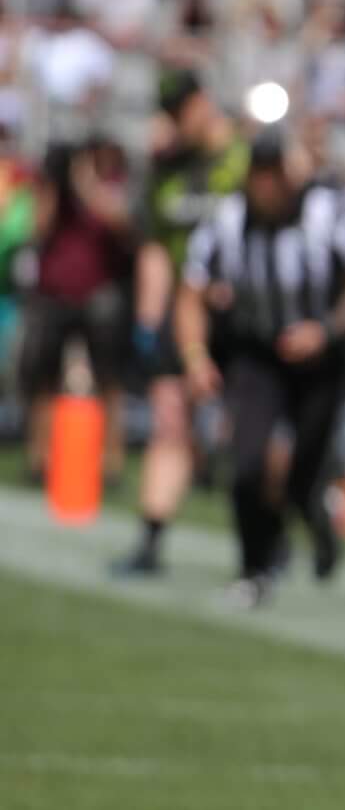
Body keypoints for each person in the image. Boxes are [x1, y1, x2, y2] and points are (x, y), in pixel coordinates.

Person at [175, 134, 345, 609]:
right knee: (245, 464)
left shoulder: (327, 213)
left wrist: (325, 330)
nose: (267, 187)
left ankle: (314, 516)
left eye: (274, 174)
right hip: (258, 354)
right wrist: (195, 357)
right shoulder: (227, 220)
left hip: (320, 359)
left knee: (304, 471)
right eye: (258, 175)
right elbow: (191, 291)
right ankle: (253, 567)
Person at [114, 73, 246, 578]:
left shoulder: (241, 157)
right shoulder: (165, 170)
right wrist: (148, 321)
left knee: (249, 432)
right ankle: (150, 539)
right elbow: (155, 250)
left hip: (240, 313)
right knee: (169, 417)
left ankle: (268, 534)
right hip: (183, 311)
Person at [20, 134, 132, 480]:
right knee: (43, 378)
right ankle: (40, 456)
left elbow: (121, 222)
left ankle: (110, 459)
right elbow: (36, 228)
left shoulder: (108, 185)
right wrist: (55, 186)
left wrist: (84, 182)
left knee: (108, 380)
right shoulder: (52, 189)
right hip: (53, 295)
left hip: (98, 296)